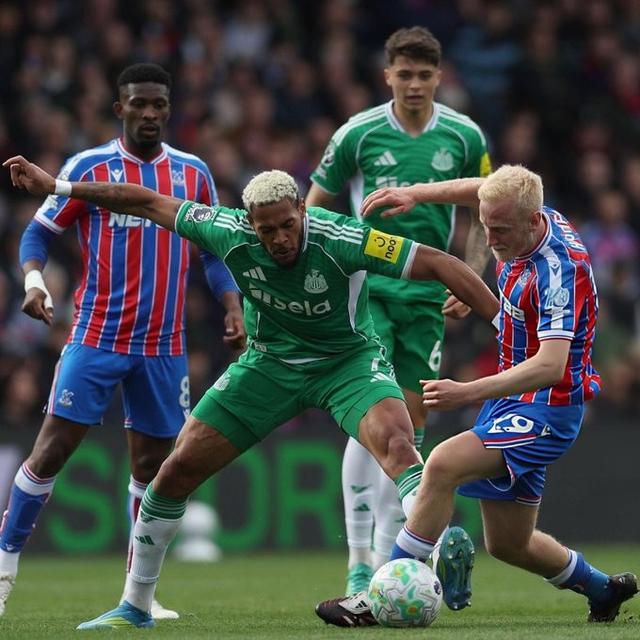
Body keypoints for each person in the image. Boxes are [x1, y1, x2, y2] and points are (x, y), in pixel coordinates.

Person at [3, 156, 501, 629]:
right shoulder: (224, 229)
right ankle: (135, 605)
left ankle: (440, 550)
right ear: (249, 223)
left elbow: (438, 262)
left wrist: (503, 324)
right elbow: (144, 200)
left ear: (302, 210)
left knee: (397, 444)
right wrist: (60, 187)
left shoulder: (342, 237)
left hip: (346, 363)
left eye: (288, 225)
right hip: (268, 365)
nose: (280, 238)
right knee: (175, 470)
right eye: (267, 230)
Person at [316, 165, 638, 626]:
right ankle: (603, 589)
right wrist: (416, 193)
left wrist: (466, 391)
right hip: (513, 398)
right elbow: (482, 190)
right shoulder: (527, 212)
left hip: (547, 407)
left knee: (442, 464)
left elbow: (550, 367)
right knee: (508, 543)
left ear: (532, 221)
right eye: (486, 225)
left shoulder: (559, 272)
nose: (489, 238)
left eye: (500, 229)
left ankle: (375, 596)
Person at [0, 64, 245, 621]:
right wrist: (34, 281)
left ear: (169, 108)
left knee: (153, 471)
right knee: (51, 451)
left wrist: (232, 304)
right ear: (120, 109)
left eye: (159, 104)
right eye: (139, 104)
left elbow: (213, 251)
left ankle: (138, 595)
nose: (150, 113)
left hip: (164, 346)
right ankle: (4, 566)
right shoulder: (88, 167)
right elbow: (38, 231)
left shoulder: (194, 173)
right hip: (97, 336)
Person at [306, 26, 492, 595]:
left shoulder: (464, 135)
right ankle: (359, 560)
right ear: (387, 75)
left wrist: (471, 274)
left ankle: (392, 559)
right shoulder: (357, 133)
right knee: (376, 414)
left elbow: (484, 210)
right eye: (404, 74)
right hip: (371, 290)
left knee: (411, 424)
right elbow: (314, 207)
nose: (414, 84)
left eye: (424, 75)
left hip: (428, 297)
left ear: (439, 77)